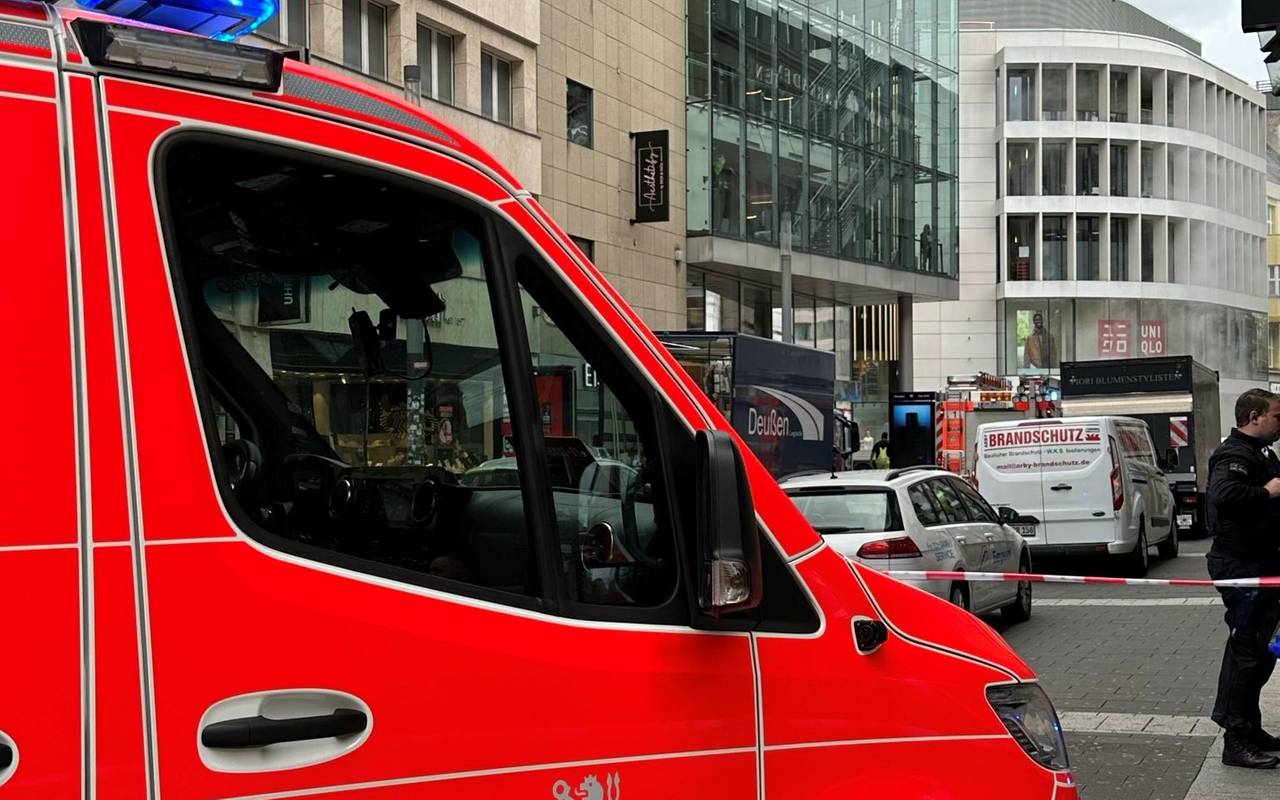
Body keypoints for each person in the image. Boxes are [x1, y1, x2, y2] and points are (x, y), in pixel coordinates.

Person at [1207, 388, 1280, 768]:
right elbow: (1223, 495)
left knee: (1262, 653)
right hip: (1242, 567)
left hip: (1261, 566)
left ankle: (1250, 728)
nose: (1279, 423)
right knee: (1247, 653)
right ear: (1254, 416)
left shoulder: (1261, 453)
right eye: (1276, 416)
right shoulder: (1234, 454)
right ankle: (1235, 739)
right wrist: (1266, 492)